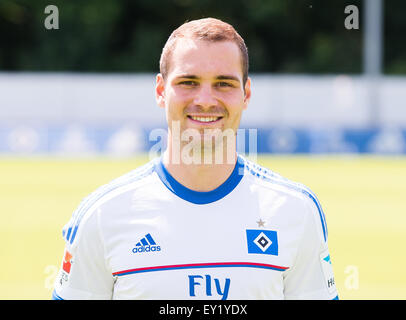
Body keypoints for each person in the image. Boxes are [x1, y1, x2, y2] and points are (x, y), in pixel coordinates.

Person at [53, 17, 338, 300]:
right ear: (161, 91)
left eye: (223, 84)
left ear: (246, 93)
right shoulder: (102, 215)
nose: (205, 99)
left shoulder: (296, 210)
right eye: (188, 82)